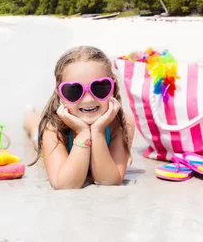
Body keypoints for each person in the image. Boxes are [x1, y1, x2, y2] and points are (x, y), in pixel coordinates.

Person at [24, 45, 135, 190]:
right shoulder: (52, 127)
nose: (88, 99)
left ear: (113, 88)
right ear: (60, 95)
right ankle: (29, 115)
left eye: (99, 87)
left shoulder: (122, 123)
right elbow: (64, 184)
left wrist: (97, 132)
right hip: (53, 130)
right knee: (36, 129)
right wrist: (83, 133)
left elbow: (109, 180)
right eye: (73, 91)